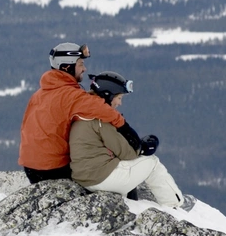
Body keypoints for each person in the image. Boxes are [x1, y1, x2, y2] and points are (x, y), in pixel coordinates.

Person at [18, 43, 141, 184]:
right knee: (111, 166)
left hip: (31, 168)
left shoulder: (39, 94)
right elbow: (104, 110)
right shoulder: (71, 95)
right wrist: (127, 130)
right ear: (66, 67)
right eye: (81, 64)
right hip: (53, 169)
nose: (84, 68)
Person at [69, 71, 184, 208]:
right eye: (119, 98)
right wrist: (143, 148)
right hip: (99, 179)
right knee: (152, 162)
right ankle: (174, 205)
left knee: (125, 165)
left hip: (84, 176)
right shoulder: (101, 120)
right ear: (107, 95)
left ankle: (132, 203)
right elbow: (126, 153)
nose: (120, 103)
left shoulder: (84, 113)